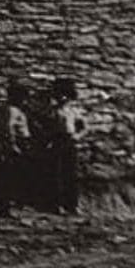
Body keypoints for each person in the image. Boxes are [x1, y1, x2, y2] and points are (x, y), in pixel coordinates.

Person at [0, 80, 33, 211]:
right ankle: (7, 205)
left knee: (20, 175)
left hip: (22, 143)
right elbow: (8, 128)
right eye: (24, 98)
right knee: (11, 175)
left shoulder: (16, 110)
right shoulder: (11, 111)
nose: (26, 101)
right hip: (16, 144)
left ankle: (17, 204)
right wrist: (12, 145)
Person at [45, 77, 86, 214]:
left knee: (72, 173)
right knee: (57, 173)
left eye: (66, 95)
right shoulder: (53, 111)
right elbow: (48, 128)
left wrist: (77, 136)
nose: (63, 98)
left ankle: (73, 205)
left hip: (70, 141)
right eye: (60, 95)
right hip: (57, 141)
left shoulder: (74, 111)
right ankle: (58, 205)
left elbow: (85, 127)